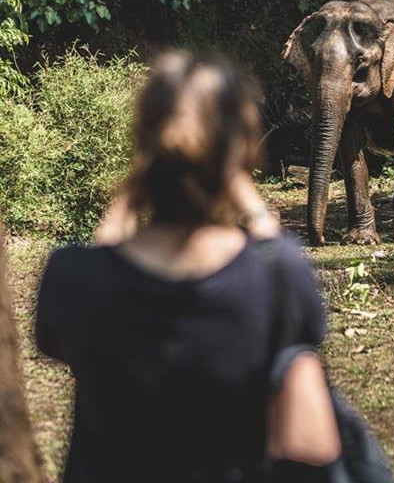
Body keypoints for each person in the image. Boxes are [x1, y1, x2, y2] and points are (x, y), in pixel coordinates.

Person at [36, 51, 341, 483]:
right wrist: (253, 207)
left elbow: (59, 337)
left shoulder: (73, 275)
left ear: (144, 144)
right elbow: (305, 329)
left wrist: (122, 202)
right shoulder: (278, 272)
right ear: (241, 149)